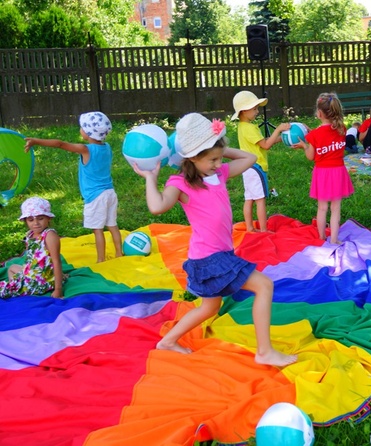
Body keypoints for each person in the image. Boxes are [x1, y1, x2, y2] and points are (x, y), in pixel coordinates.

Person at [133, 112, 297, 366]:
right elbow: (157, 207)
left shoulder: (218, 174)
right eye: (212, 159)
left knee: (209, 308)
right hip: (209, 258)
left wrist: (218, 145)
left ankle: (167, 341)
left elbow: (250, 157)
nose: (218, 163)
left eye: (220, 158)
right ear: (193, 158)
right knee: (264, 285)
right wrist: (150, 179)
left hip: (218, 255)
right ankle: (265, 351)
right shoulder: (180, 183)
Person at [24, 111, 123, 262]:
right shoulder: (107, 147)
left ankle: (101, 260)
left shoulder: (86, 149)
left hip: (95, 196)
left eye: (82, 127)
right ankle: (119, 254)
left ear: (88, 133)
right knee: (113, 225)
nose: (80, 129)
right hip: (110, 192)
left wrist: (36, 141)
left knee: (97, 230)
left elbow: (60, 144)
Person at [293, 93, 354, 245]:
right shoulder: (342, 129)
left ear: (319, 113)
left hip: (322, 173)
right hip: (338, 172)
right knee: (335, 208)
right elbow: (328, 135)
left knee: (322, 208)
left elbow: (310, 156)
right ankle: (334, 239)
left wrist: (305, 146)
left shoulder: (314, 135)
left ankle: (321, 237)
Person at [231, 90, 291, 233]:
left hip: (247, 168)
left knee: (249, 198)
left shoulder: (242, 127)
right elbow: (265, 145)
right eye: (254, 108)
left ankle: (250, 227)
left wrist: (281, 138)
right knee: (260, 200)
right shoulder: (250, 128)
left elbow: (263, 142)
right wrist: (278, 130)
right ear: (244, 111)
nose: (257, 111)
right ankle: (264, 230)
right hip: (256, 168)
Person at [0, 197, 64, 299]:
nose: (36, 223)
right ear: (25, 221)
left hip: (39, 280)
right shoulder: (30, 235)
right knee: (11, 268)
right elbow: (32, 259)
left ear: (48, 218)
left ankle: (17, 289)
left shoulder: (49, 235)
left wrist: (58, 290)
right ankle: (17, 289)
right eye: (30, 220)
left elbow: (56, 261)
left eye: (40, 218)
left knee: (3, 289)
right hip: (31, 274)